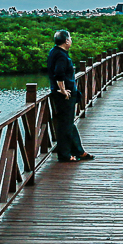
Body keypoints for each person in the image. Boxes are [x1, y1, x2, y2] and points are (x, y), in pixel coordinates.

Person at [46, 29, 93, 162]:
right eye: (70, 38)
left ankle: (79, 151)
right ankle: (65, 155)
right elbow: (59, 73)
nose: (71, 40)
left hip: (62, 94)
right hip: (65, 96)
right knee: (65, 126)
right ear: (66, 41)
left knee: (67, 124)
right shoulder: (61, 56)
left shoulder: (54, 52)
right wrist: (63, 90)